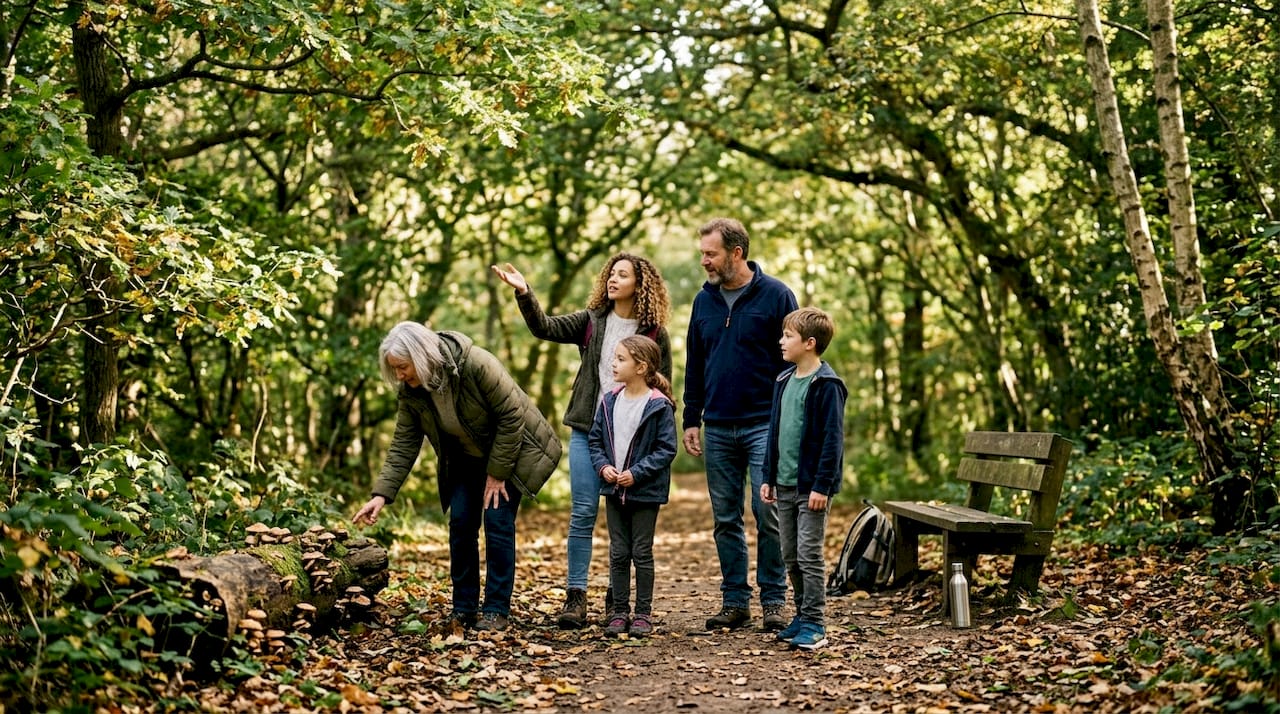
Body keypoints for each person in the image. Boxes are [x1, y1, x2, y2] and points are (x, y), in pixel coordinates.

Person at [491, 254, 672, 629]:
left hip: (633, 441)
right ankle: (576, 598)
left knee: (621, 522)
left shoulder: (654, 333)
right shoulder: (592, 322)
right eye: (611, 273)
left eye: (623, 274)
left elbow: (662, 389)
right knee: (583, 513)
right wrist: (525, 292)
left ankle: (617, 601)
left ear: (640, 284)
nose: (613, 279)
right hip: (590, 431)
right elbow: (544, 327)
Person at [353, 322, 562, 633]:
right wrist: (381, 495)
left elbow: (512, 415)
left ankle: (495, 609)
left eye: (402, 367)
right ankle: (464, 607)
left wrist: (497, 474)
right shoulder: (412, 393)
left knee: (497, 522)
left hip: (512, 451)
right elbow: (403, 443)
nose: (399, 375)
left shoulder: (476, 363)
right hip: (466, 460)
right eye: (394, 369)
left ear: (421, 356)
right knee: (461, 524)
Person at [683, 217, 799, 631]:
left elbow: (797, 361)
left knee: (766, 510)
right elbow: (695, 362)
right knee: (725, 517)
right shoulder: (703, 302)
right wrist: (691, 417)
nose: (704, 261)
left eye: (710, 253)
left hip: (764, 424)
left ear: (736, 253)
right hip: (716, 425)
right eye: (702, 253)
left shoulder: (777, 296)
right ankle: (735, 601)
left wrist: (790, 419)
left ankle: (773, 600)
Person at [760, 307, 847, 650]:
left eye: (788, 336)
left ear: (809, 343)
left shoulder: (827, 385)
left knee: (809, 554)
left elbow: (832, 440)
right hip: (783, 484)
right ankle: (801, 614)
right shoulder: (783, 381)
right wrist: (767, 475)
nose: (781, 341)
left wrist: (822, 485)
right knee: (790, 555)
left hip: (811, 487)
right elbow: (774, 434)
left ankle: (816, 622)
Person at [587, 335, 677, 637]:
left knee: (641, 551)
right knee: (618, 552)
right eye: (615, 357)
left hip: (644, 491)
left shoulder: (658, 405)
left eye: (621, 359)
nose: (614, 363)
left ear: (641, 367)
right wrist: (603, 467)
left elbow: (666, 449)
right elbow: (595, 440)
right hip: (613, 490)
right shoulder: (609, 400)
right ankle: (619, 612)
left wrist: (636, 473)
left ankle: (642, 614)